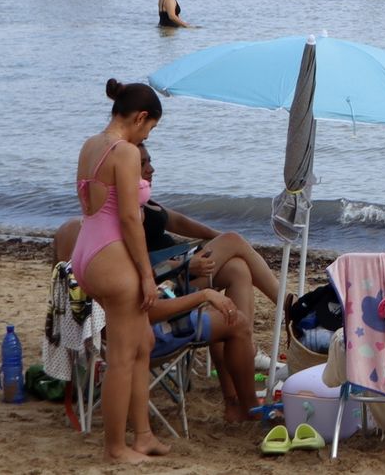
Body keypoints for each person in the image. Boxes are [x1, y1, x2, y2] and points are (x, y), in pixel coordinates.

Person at [53, 145, 270, 427]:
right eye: (141, 166)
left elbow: (143, 290)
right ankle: (246, 405)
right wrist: (200, 292)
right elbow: (147, 306)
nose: (149, 171)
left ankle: (237, 400)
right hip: (148, 335)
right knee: (235, 321)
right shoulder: (114, 244)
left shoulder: (96, 242)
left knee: (236, 273)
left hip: (126, 329)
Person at [72, 79, 165, 461]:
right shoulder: (125, 152)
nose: (147, 136)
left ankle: (142, 435)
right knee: (123, 357)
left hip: (87, 249)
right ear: (141, 118)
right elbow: (129, 217)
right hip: (113, 257)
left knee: (143, 344)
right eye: (150, 129)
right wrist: (147, 274)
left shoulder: (91, 144)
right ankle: (115, 446)